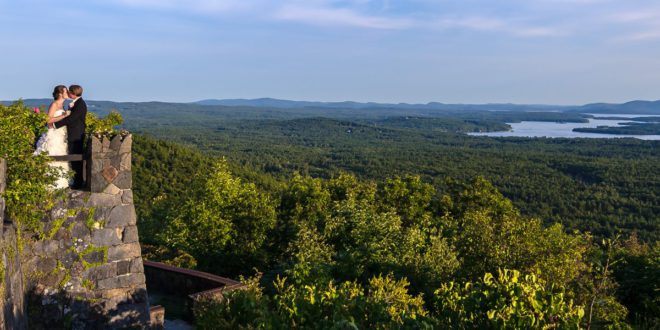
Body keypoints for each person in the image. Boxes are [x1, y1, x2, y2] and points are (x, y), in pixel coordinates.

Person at [34, 85, 72, 189]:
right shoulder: (54, 104)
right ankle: (48, 183)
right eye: (65, 91)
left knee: (61, 155)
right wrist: (64, 116)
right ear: (60, 93)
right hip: (53, 134)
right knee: (52, 153)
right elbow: (48, 120)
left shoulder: (63, 105)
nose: (67, 93)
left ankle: (60, 183)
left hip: (61, 135)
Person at [51, 84, 87, 189]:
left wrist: (55, 125)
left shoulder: (80, 104)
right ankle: (77, 181)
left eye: (69, 92)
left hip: (76, 135)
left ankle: (78, 182)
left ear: (73, 94)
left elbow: (71, 119)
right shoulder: (77, 103)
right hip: (72, 134)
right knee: (73, 158)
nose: (67, 94)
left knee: (75, 158)